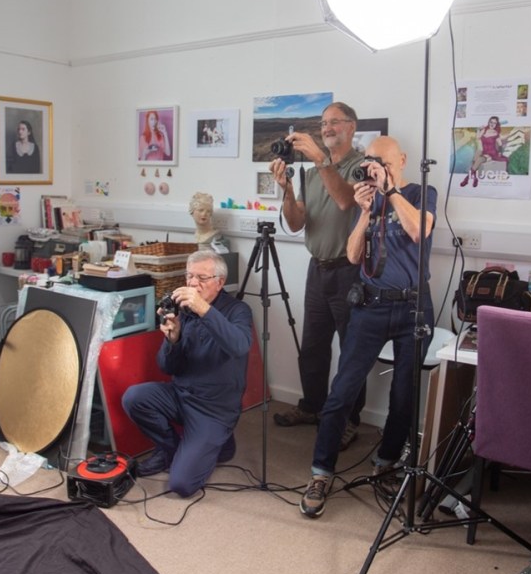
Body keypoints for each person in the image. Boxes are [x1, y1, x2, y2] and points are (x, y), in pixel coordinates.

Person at [300, 135, 437, 518]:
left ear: (402, 159)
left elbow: (418, 231)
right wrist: (363, 212)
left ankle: (387, 462)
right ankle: (320, 472)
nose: (373, 165)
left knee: (404, 395)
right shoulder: (366, 196)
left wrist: (390, 191)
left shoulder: (422, 192)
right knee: (343, 390)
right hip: (370, 306)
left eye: (381, 159)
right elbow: (353, 254)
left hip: (413, 307)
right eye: (370, 160)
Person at [268, 102, 367, 451]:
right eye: (323, 123)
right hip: (318, 268)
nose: (327, 129)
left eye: (334, 122)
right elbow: (296, 223)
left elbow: (344, 202)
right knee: (312, 346)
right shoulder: (310, 175)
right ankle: (311, 406)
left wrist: (320, 160)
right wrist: (288, 190)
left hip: (350, 271)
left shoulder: (362, 167)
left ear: (351, 127)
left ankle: (348, 420)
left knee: (352, 351)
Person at [122, 251, 253, 498]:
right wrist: (173, 339)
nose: (193, 283)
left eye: (202, 277)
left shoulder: (238, 310)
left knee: (182, 485)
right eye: (189, 276)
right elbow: (166, 367)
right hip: (181, 395)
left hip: (214, 409)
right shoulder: (183, 310)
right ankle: (170, 449)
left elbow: (239, 345)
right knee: (134, 397)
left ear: (220, 282)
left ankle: (217, 441)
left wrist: (203, 309)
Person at [460, 115, 507, 187]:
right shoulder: (484, 130)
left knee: (479, 160)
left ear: (496, 124)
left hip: (491, 153)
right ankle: (475, 178)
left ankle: (466, 179)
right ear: (488, 122)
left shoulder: (496, 133)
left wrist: (500, 153)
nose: (492, 124)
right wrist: (479, 129)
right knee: (474, 160)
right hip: (483, 151)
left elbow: (500, 145)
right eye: (491, 122)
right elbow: (478, 137)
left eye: (494, 123)